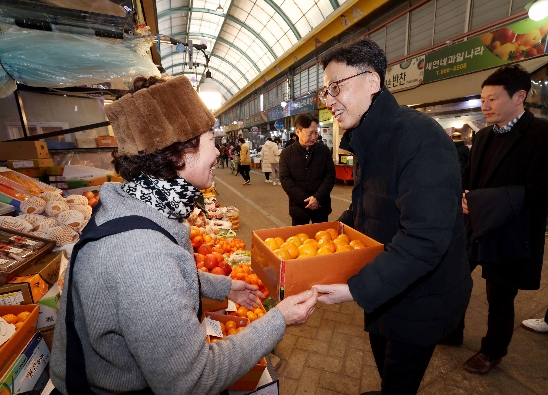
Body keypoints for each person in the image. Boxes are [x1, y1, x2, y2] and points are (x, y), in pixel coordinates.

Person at [50, 75, 318, 395]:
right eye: (209, 139)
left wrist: (226, 287)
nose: (218, 152)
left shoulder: (141, 205)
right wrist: (279, 320)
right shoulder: (144, 255)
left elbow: (170, 279)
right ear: (178, 151)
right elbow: (191, 381)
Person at [313, 38, 472, 395]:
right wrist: (325, 245)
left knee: (400, 381)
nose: (329, 100)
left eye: (336, 86)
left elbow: (425, 239)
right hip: (387, 288)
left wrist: (355, 288)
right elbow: (363, 210)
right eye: (326, 91)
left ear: (373, 82)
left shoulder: (419, 137)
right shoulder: (369, 140)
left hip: (420, 297)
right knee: (387, 369)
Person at [459, 64, 548, 375]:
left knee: (500, 296)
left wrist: (480, 203)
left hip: (511, 231)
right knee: (455, 277)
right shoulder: (482, 136)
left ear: (520, 97)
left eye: (492, 99)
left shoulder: (540, 135)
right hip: (474, 228)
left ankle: (492, 351)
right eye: (483, 99)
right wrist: (464, 195)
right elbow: (468, 178)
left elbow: (539, 190)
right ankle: (450, 330)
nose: (485, 106)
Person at [279, 113, 335, 226]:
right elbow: (285, 180)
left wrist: (317, 198)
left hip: (321, 206)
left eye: (316, 132)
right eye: (310, 133)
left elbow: (330, 175)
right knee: (299, 240)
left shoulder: (323, 151)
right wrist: (306, 200)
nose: (314, 137)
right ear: (298, 131)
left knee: (323, 239)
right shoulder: (287, 153)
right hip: (299, 208)